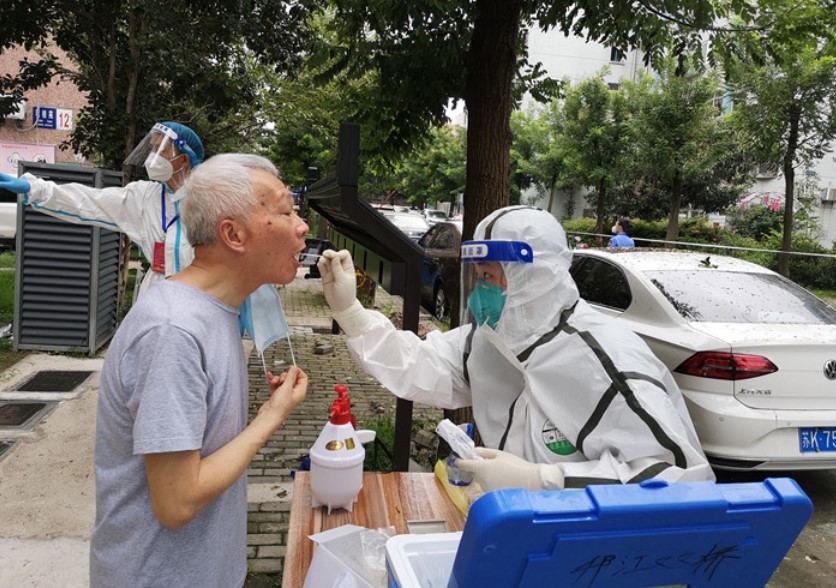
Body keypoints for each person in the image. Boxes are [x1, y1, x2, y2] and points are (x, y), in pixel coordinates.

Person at [318, 205, 713, 493]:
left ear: (534, 278)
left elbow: (678, 480)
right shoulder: (492, 341)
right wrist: (352, 314)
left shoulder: (607, 360)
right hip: (522, 535)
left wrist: (545, 481)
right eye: (477, 276)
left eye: (489, 276)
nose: (480, 291)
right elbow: (420, 365)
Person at [89, 153, 310, 587]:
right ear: (234, 234)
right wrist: (271, 416)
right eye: (286, 212)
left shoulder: (217, 309)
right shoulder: (173, 330)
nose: (301, 226)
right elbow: (177, 502)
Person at [0, 121, 204, 298]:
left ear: (184, 159)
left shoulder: (209, 201)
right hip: (156, 293)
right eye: (151, 149)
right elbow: (89, 201)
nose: (152, 157)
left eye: (160, 149)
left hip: (199, 294)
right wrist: (35, 188)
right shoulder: (144, 197)